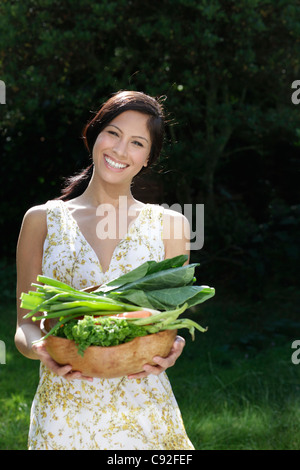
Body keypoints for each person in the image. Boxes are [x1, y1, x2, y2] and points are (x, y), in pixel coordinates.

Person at [15, 90, 194, 450]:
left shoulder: (171, 226)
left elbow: (168, 327)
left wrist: (175, 347)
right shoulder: (42, 220)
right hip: (64, 411)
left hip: (144, 409)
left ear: (147, 158)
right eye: (113, 133)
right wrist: (41, 349)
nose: (120, 149)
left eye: (137, 142)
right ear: (95, 134)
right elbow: (24, 323)